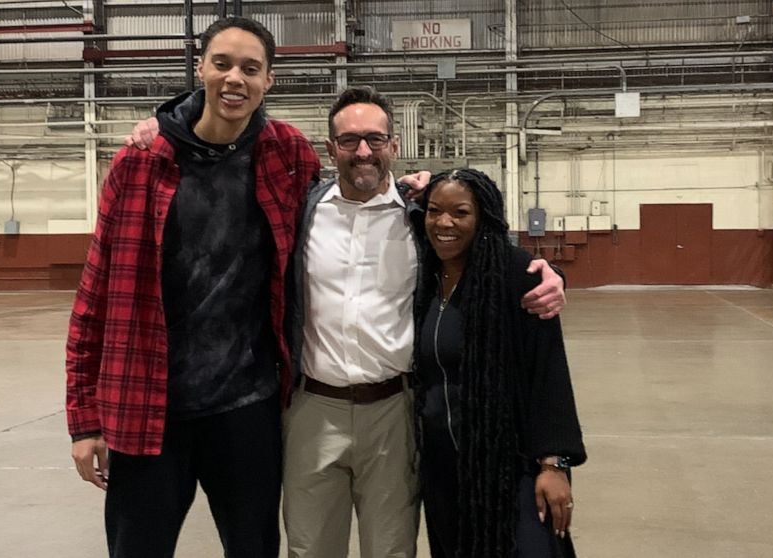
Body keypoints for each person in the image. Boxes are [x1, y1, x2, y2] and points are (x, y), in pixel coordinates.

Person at [122, 86, 568, 557]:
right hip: (314, 410)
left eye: (375, 139)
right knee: (310, 549)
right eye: (349, 140)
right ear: (330, 148)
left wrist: (546, 274)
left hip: (394, 412)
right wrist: (166, 121)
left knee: (391, 549)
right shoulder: (300, 211)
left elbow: (489, 252)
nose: (363, 151)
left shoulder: (422, 219)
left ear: (394, 146)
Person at [65, 16, 319, 558]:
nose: (235, 79)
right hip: (149, 406)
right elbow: (94, 298)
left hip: (246, 407)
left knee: (254, 548)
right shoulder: (140, 162)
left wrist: (420, 192)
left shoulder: (289, 155)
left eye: (251, 69)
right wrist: (84, 421)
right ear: (199, 68)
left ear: (269, 81)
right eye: (222, 63)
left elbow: (350, 208)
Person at [414, 168, 587, 558]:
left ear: (483, 218)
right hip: (443, 468)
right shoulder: (422, 278)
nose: (444, 223)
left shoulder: (516, 275)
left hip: (511, 464)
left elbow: (549, 371)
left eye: (460, 213)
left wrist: (554, 463)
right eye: (434, 211)